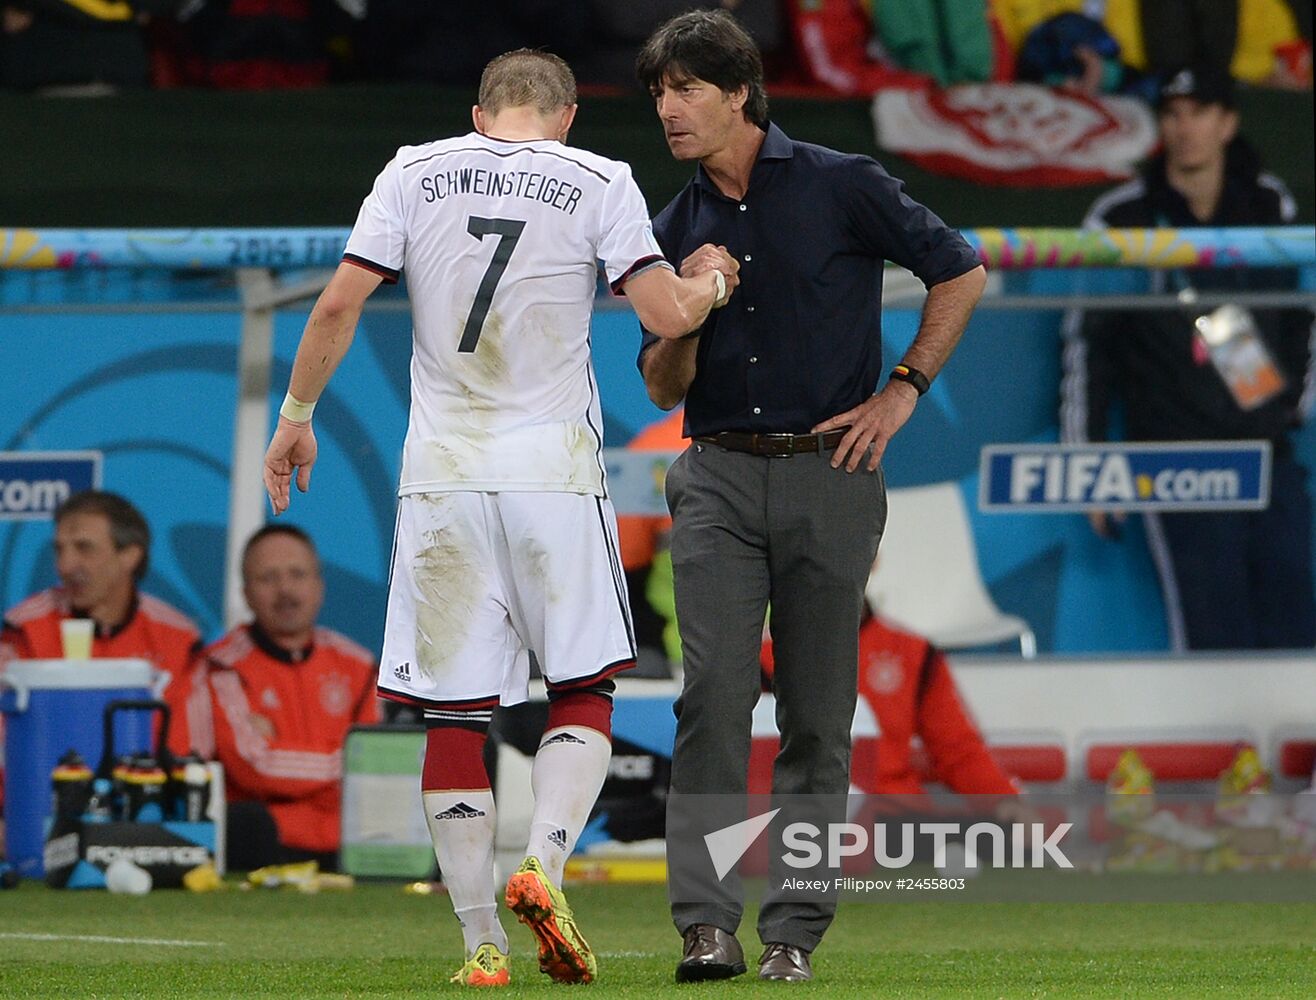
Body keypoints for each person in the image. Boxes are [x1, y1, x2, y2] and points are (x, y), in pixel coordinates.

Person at [260, 48, 736, 987]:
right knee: (584, 686)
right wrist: (713, 279)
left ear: (480, 116)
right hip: (552, 473)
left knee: (453, 711)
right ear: (565, 118)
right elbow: (668, 310)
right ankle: (545, 865)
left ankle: (481, 943)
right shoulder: (600, 177)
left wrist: (296, 421)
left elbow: (337, 305)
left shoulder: (410, 169)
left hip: (441, 477)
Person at [634, 10, 985, 984]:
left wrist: (901, 390)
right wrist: (692, 305)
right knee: (708, 695)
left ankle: (791, 932)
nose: (666, 109)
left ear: (738, 91)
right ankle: (704, 925)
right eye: (658, 92)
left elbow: (959, 269)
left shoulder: (841, 182)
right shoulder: (668, 224)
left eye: (685, 89)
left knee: (817, 712)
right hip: (712, 471)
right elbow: (660, 386)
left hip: (829, 469)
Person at [1060, 65, 1316, 652]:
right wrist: (1089, 465)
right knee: (1210, 635)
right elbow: (1085, 345)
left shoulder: (1267, 200)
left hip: (1265, 450)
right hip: (1176, 460)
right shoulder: (1121, 216)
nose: (1184, 129)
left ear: (1227, 123)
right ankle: (1220, 751)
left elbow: (1300, 312)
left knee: (1296, 626)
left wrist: (1289, 410)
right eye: (1172, 115)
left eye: (1199, 113)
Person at [194, 524, 378, 872]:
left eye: (297, 575)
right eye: (268, 578)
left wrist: (281, 748)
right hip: (267, 850)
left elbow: (373, 770)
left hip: (352, 851)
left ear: (319, 586)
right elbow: (254, 766)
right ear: (246, 593)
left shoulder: (360, 666)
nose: (286, 590)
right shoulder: (221, 667)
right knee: (246, 822)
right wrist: (342, 758)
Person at [0, 490, 203, 757]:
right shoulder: (25, 628)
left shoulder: (178, 638)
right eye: (59, 549)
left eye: (84, 548)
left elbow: (187, 750)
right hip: (45, 789)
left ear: (129, 556)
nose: (66, 565)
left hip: (142, 791)